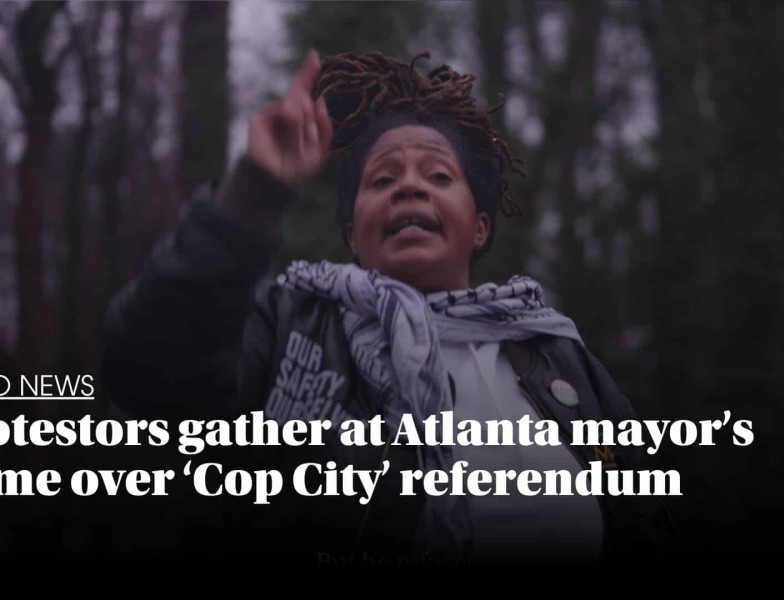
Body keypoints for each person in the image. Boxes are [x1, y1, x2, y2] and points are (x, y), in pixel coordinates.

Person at [101, 49, 675, 563]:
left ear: (478, 227)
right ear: (354, 234)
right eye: (382, 179)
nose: (409, 186)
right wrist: (251, 196)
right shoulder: (288, 324)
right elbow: (149, 370)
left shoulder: (559, 358)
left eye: (438, 175)